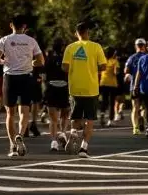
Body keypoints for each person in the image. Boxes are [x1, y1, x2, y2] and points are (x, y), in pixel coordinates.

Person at [0, 15, 44, 157]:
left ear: (11, 25)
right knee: (25, 111)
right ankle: (20, 135)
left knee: (10, 113)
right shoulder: (31, 40)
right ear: (25, 26)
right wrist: (31, 63)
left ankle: (12, 145)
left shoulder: (4, 40)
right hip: (26, 78)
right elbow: (40, 61)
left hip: (10, 77)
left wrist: (5, 62)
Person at [62, 21, 107, 157]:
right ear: (88, 32)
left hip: (75, 87)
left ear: (76, 34)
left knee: (75, 117)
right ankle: (83, 148)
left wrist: (76, 67)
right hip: (91, 89)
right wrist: (91, 67)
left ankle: (74, 132)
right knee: (89, 120)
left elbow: (64, 67)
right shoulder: (96, 47)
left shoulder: (70, 47)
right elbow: (103, 66)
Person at [44, 37, 71, 152]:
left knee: (53, 119)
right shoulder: (67, 60)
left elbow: (44, 76)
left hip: (51, 88)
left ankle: (53, 142)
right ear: (62, 47)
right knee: (65, 114)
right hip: (64, 88)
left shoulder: (49, 59)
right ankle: (63, 133)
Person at [124, 38, 148, 134]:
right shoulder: (147, 57)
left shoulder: (132, 58)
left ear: (136, 46)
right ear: (145, 46)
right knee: (145, 107)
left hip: (134, 86)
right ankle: (142, 117)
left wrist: (128, 75)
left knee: (135, 107)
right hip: (145, 86)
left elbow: (126, 70)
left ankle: (135, 128)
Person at [26, 30, 45, 138]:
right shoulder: (35, 47)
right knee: (34, 102)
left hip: (24, 76)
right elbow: (41, 62)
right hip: (34, 76)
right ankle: (32, 123)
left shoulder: (21, 47)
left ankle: (26, 125)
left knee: (26, 103)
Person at [99, 46, 120, 127]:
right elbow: (116, 73)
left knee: (104, 100)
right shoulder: (115, 61)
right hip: (112, 84)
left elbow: (99, 71)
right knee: (112, 102)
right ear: (113, 53)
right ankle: (110, 120)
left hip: (103, 82)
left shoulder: (103, 61)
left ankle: (102, 114)